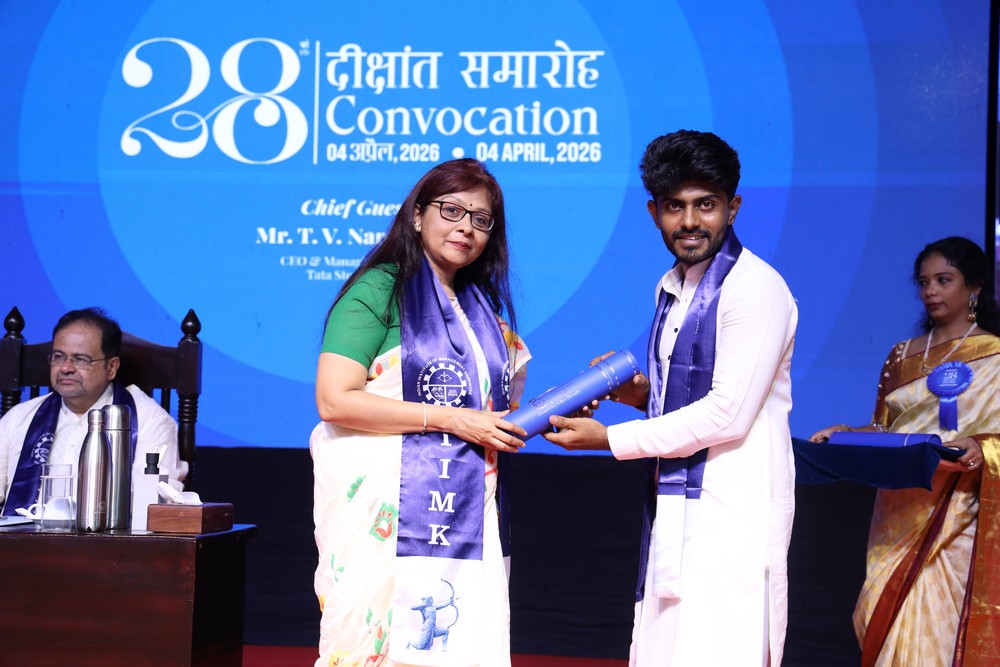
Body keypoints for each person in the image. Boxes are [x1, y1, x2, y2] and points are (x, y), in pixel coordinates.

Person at [544, 130, 798, 666]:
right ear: (654, 212)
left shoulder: (754, 287)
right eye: (674, 206)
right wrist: (642, 394)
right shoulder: (673, 286)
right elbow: (691, 397)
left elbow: (727, 414)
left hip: (734, 511)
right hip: (676, 505)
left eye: (705, 205)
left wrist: (609, 439)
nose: (689, 221)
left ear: (732, 208)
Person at [310, 158, 530, 667]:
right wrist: (449, 419)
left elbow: (495, 411)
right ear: (416, 215)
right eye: (451, 210)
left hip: (464, 509)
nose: (465, 227)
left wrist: (565, 408)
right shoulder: (379, 289)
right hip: (384, 507)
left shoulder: (481, 309)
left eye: (480, 219)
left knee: (461, 639)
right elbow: (334, 400)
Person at [810, 237, 1000, 665]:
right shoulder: (902, 355)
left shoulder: (996, 356)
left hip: (958, 516)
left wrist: (981, 446)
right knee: (883, 606)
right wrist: (846, 433)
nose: (931, 291)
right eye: (924, 282)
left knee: (942, 623)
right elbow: (884, 428)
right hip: (899, 511)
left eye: (944, 280)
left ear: (974, 288)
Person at [0, 307, 186, 514]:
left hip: (111, 535)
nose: (65, 368)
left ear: (111, 367)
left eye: (81, 359)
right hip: (21, 534)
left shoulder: (149, 421)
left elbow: (152, 508)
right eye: (58, 357)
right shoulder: (19, 418)